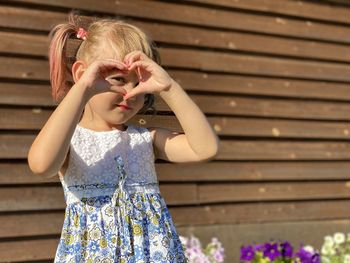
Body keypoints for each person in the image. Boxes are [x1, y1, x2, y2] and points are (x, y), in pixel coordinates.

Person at [27, 11, 219, 263]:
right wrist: (83, 87)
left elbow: (205, 149)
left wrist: (169, 88)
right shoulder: (71, 140)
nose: (130, 92)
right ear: (82, 74)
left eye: (138, 82)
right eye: (118, 79)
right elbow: (41, 164)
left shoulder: (146, 140)